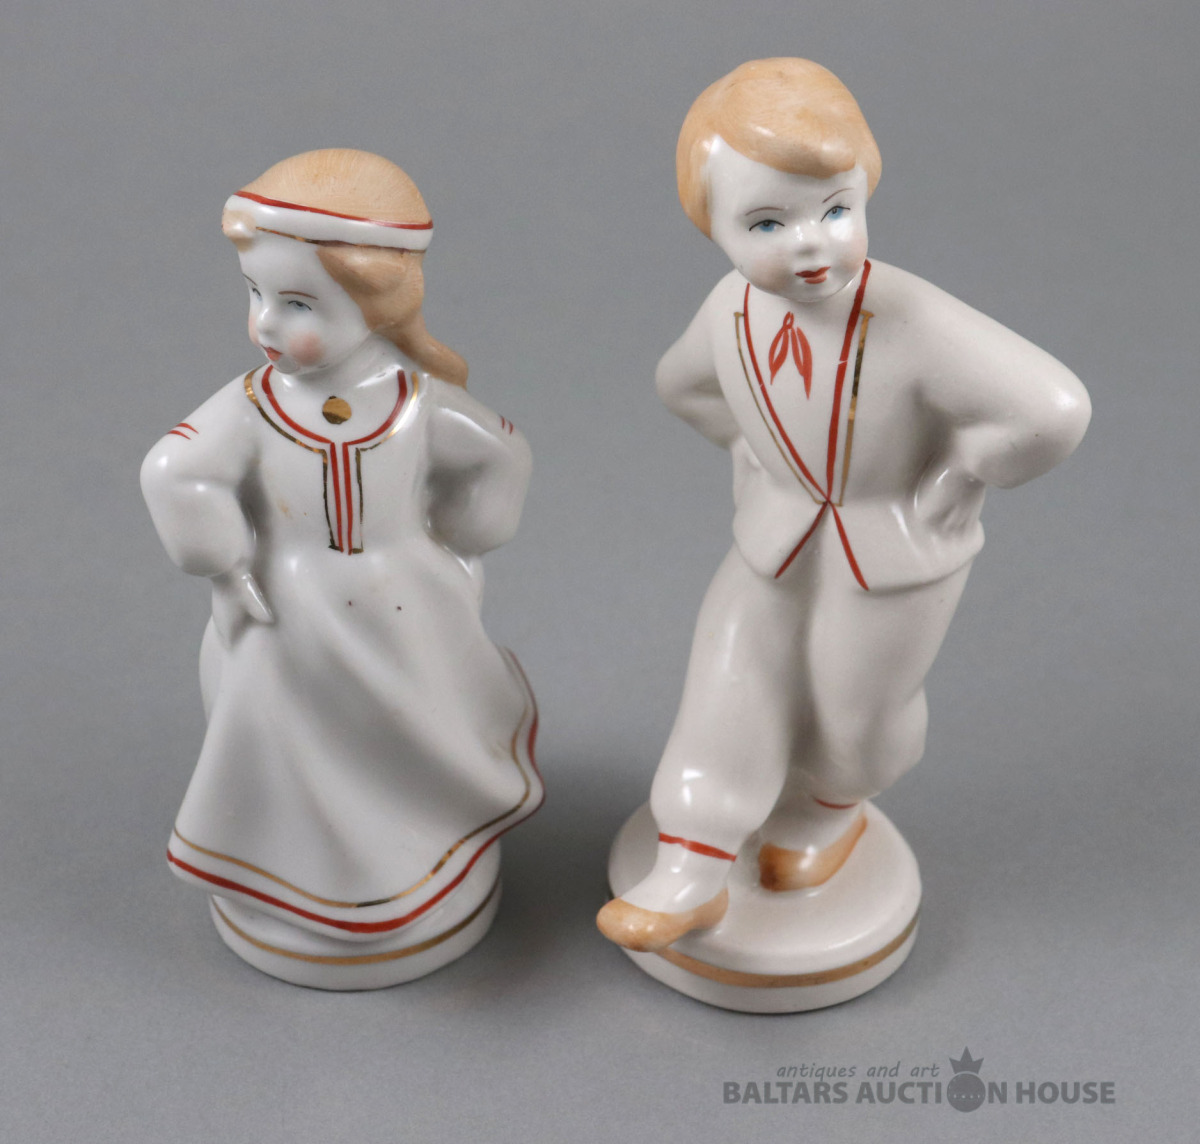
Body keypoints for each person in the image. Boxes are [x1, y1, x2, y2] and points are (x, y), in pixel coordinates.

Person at [597, 59, 1090, 952]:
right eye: (766, 223)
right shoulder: (729, 311)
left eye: (834, 209)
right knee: (730, 675)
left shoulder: (911, 317)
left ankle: (828, 814)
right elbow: (683, 385)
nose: (810, 244)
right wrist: (750, 451)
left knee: (854, 717)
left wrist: (957, 479)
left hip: (895, 552)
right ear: (712, 227)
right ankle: (692, 864)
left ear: (865, 191)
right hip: (773, 536)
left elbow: (1052, 410)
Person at [142, 150, 541, 975]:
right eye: (256, 295)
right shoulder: (252, 406)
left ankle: (413, 855)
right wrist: (225, 561)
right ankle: (304, 871)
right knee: (288, 733)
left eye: (296, 303)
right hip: (292, 609)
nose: (265, 324)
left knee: (416, 729)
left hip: (404, 601)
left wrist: (465, 539)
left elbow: (502, 453)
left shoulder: (413, 401)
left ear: (376, 303)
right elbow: (174, 468)